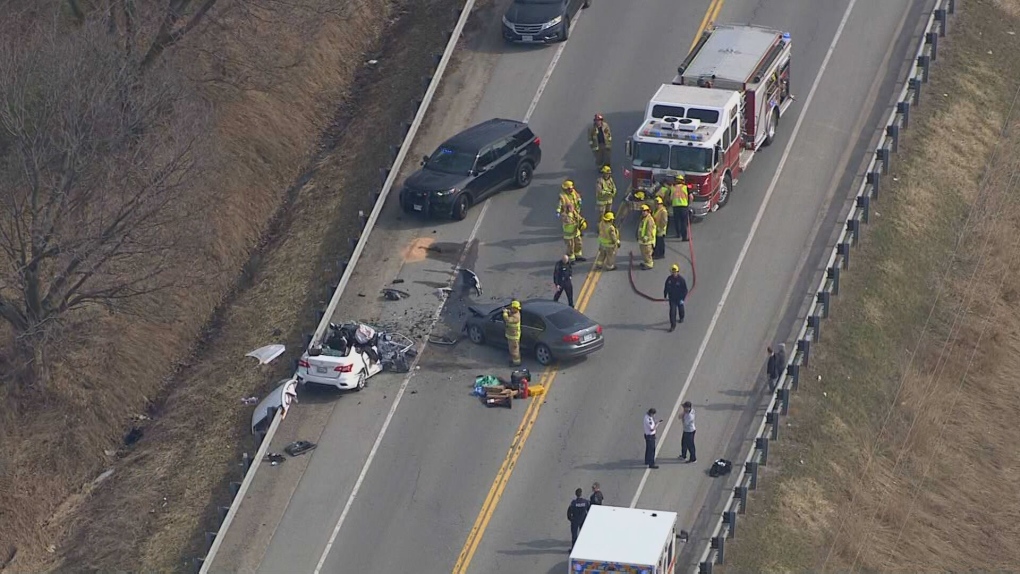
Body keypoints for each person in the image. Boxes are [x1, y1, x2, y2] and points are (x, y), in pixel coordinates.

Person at [664, 264, 689, 332]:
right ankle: (673, 325)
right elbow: (666, 287)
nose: (674, 273)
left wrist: (682, 299)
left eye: (675, 272)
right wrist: (665, 295)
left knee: (681, 309)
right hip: (672, 299)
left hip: (679, 298)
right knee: (672, 312)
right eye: (673, 272)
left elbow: (685, 290)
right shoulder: (669, 279)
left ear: (678, 272)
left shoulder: (681, 280)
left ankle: (681, 317)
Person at [668, 174, 690, 241]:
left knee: (677, 221)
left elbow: (670, 198)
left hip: (675, 207)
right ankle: (684, 237)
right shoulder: (685, 187)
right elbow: (691, 197)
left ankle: (678, 234)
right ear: (682, 180)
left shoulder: (672, 188)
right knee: (684, 222)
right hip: (684, 207)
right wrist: (688, 203)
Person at [504, 300, 522, 367]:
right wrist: (508, 311)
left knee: (514, 351)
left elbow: (507, 320)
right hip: (511, 336)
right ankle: (514, 360)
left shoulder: (516, 317)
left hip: (514, 337)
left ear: (515, 308)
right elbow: (511, 313)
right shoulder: (515, 313)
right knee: (512, 350)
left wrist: (505, 313)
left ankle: (516, 363)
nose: (511, 308)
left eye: (512, 307)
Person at [637, 204, 656, 270]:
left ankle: (649, 264)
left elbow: (649, 230)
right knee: (644, 253)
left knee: (647, 253)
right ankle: (646, 263)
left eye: (645, 211)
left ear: (648, 211)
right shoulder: (644, 218)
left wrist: (646, 237)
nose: (643, 212)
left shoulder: (649, 219)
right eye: (642, 211)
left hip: (647, 241)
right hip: (642, 240)